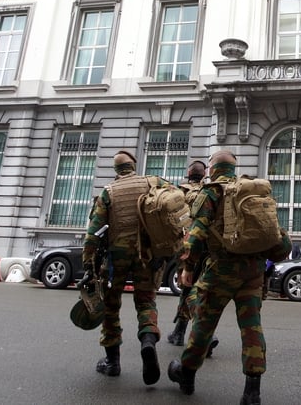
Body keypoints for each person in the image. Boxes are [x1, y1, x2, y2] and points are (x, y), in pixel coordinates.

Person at [167, 150, 268, 404]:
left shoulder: (211, 191)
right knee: (252, 327)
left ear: (212, 169)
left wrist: (188, 267)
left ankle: (186, 374)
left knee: (203, 321)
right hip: (253, 271)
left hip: (221, 269)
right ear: (234, 169)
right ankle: (252, 391)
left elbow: (196, 232)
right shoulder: (250, 189)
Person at [80, 150, 169, 385]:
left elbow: (93, 234)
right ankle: (148, 341)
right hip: (146, 255)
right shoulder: (153, 182)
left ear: (116, 170)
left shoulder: (108, 192)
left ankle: (113, 362)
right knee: (146, 301)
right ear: (133, 165)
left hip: (115, 257)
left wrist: (88, 265)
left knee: (110, 305)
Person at [166, 161, 219, 358]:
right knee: (195, 290)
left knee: (189, 290)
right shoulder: (210, 191)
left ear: (188, 173)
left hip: (186, 247)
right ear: (204, 174)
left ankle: (206, 334)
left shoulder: (180, 192)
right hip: (208, 250)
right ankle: (179, 332)